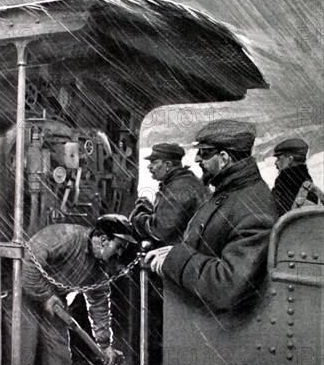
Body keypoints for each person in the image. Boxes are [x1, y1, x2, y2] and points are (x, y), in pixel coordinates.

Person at [145, 120, 277, 315]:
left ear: (224, 158)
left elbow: (228, 287)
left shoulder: (253, 207)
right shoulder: (232, 192)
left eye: (205, 153)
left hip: (220, 332)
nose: (198, 159)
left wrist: (176, 258)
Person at [20, 214, 137, 365]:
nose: (120, 254)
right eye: (119, 246)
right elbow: (27, 266)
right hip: (23, 296)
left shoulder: (99, 268)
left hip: (55, 303)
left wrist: (105, 345)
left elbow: (99, 306)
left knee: (60, 360)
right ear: (104, 240)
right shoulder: (65, 237)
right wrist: (46, 295)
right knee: (22, 359)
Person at [130, 143, 207, 245]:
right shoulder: (185, 181)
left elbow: (160, 230)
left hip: (181, 252)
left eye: (154, 162)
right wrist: (151, 210)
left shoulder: (179, 188)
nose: (149, 166)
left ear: (168, 165)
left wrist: (140, 217)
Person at [272, 138, 317, 216]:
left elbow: (273, 214)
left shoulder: (283, 183)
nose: (275, 163)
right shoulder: (307, 181)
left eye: (279, 159)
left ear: (290, 160)